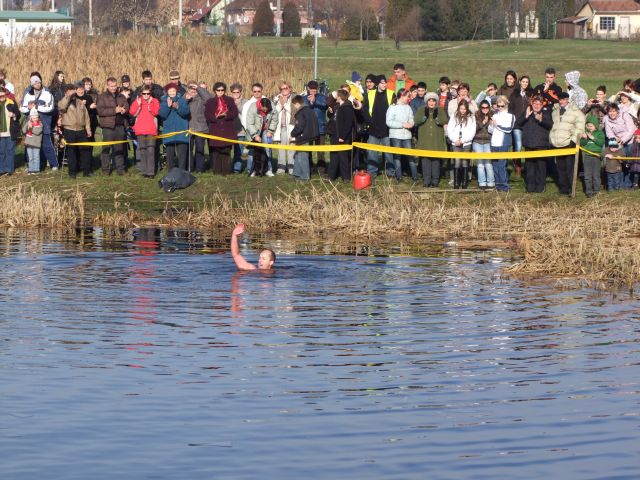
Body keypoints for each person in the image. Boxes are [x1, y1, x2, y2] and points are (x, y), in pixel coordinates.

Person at [549, 92, 585, 195]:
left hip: (569, 143)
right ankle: (563, 188)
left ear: (568, 99)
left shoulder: (576, 111)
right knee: (560, 167)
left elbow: (580, 126)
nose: (562, 101)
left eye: (564, 99)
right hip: (558, 143)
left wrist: (573, 140)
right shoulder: (555, 110)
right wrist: (552, 139)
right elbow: (554, 126)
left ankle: (571, 188)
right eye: (560, 99)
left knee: (570, 167)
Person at [20, 74, 57, 171]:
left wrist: (37, 107)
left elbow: (50, 108)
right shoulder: (28, 95)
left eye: (39, 82)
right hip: (31, 124)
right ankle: (29, 165)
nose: (38, 84)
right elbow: (22, 108)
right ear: (32, 84)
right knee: (30, 144)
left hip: (44, 123)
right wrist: (28, 108)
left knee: (47, 144)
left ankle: (54, 164)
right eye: (35, 83)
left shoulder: (47, 94)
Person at [517, 95, 553, 193]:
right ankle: (530, 187)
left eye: (539, 104)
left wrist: (541, 120)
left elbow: (550, 125)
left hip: (541, 145)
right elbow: (518, 123)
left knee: (541, 167)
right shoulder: (527, 112)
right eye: (535, 103)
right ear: (532, 104)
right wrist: (526, 117)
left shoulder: (546, 113)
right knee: (529, 167)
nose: (536, 106)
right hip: (528, 144)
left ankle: (540, 187)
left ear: (542, 105)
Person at [361, 75, 395, 177]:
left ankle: (390, 172)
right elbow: (365, 109)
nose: (384, 85)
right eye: (382, 83)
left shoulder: (391, 94)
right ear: (377, 84)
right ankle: (372, 172)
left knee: (389, 153)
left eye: (385, 83)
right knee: (372, 153)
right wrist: (370, 122)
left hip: (387, 129)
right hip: (373, 129)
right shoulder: (369, 94)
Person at [414, 92, 448, 188]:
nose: (432, 102)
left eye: (433, 100)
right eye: (430, 100)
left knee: (436, 162)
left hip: (436, 141)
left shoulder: (440, 110)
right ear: (427, 101)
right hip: (425, 141)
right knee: (425, 162)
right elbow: (416, 120)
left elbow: (444, 121)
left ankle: (435, 181)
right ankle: (426, 181)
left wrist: (437, 118)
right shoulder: (421, 109)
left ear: (436, 102)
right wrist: (423, 117)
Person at [58, 83, 92, 178]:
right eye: (70, 91)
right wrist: (67, 97)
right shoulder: (63, 102)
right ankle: (72, 172)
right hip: (69, 130)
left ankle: (87, 171)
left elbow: (86, 116)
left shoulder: (80, 102)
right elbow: (61, 107)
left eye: (73, 91)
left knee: (85, 150)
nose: (72, 93)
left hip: (81, 130)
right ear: (66, 92)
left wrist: (88, 129)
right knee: (71, 151)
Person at [205, 82, 239, 175]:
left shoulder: (229, 100)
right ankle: (216, 171)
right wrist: (215, 117)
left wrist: (226, 115)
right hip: (215, 129)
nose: (220, 92)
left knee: (226, 150)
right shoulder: (210, 101)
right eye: (218, 90)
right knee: (216, 151)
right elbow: (207, 114)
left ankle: (226, 171)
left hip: (227, 129)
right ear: (215, 91)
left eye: (222, 90)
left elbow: (235, 112)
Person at [97, 77, 129, 175]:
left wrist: (124, 110)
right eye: (111, 86)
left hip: (120, 126)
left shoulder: (121, 96)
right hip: (108, 127)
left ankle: (120, 169)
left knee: (119, 149)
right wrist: (114, 110)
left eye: (115, 86)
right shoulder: (102, 96)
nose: (113, 88)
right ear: (107, 86)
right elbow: (100, 111)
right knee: (106, 149)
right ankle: (106, 170)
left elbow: (127, 106)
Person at [129, 85, 160, 178]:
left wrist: (150, 104)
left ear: (150, 93)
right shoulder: (137, 101)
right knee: (142, 151)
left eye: (148, 93)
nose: (146, 95)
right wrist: (138, 104)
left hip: (151, 130)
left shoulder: (155, 101)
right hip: (140, 130)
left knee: (150, 151)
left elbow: (156, 112)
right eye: (144, 93)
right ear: (141, 93)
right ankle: (144, 171)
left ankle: (151, 172)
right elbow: (132, 112)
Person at [386, 88, 416, 182]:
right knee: (397, 157)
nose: (409, 98)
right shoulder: (392, 107)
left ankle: (415, 176)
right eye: (408, 96)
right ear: (402, 96)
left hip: (407, 136)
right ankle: (399, 177)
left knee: (410, 155)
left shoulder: (408, 107)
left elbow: (411, 118)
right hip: (396, 136)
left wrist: (411, 124)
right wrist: (402, 125)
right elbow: (388, 122)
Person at [159, 83, 190, 170]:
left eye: (173, 91)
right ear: (167, 92)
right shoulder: (163, 102)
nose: (172, 92)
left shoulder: (182, 100)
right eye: (170, 91)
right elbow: (162, 114)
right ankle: (170, 173)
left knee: (182, 155)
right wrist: (168, 107)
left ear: (176, 91)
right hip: (169, 132)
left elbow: (186, 112)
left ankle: (182, 172)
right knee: (169, 155)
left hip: (181, 131)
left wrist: (178, 107)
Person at [289, 94, 319, 182]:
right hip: (310, 135)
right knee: (298, 155)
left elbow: (299, 126)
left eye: (294, 105)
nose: (294, 107)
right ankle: (297, 174)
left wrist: (292, 134)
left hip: (304, 137)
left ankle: (305, 177)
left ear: (297, 103)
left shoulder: (300, 112)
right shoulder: (309, 110)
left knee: (303, 156)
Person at [328, 89, 356, 182]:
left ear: (340, 97)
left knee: (343, 157)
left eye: (337, 96)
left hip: (342, 137)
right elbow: (329, 102)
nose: (336, 97)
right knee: (334, 156)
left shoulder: (347, 108)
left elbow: (348, 124)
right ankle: (331, 176)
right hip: (334, 135)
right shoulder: (337, 106)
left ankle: (346, 177)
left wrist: (342, 137)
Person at [447, 99, 476, 189]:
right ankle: (456, 183)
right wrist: (455, 140)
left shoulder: (471, 118)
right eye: (461, 108)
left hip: (466, 144)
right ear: (458, 108)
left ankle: (464, 183)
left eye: (464, 109)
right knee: (457, 162)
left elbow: (472, 132)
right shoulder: (453, 117)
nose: (462, 111)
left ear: (467, 109)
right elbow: (449, 130)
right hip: (455, 143)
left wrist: (463, 140)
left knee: (464, 163)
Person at [184, 80, 212, 172]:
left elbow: (209, 100)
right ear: (187, 89)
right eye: (191, 88)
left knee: (200, 149)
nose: (193, 91)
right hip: (189, 128)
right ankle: (190, 167)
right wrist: (185, 100)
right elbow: (180, 107)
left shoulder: (202, 98)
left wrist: (198, 88)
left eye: (194, 88)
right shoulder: (184, 97)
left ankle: (199, 168)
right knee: (189, 149)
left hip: (201, 127)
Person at [490, 96, 516, 192]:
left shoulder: (511, 116)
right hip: (494, 142)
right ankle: (498, 185)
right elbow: (491, 130)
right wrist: (491, 125)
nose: (500, 107)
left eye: (502, 106)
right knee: (495, 165)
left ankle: (504, 186)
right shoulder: (495, 115)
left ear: (506, 105)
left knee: (501, 165)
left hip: (503, 143)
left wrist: (497, 125)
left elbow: (508, 129)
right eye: (498, 105)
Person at [245, 97, 277, 177]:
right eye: (264, 109)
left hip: (266, 131)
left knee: (267, 150)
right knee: (252, 152)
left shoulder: (272, 107)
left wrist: (270, 130)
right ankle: (252, 170)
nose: (265, 110)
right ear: (260, 105)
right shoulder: (252, 108)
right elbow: (249, 123)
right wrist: (255, 135)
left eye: (267, 109)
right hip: (254, 131)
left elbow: (274, 120)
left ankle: (268, 170)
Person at [304, 80, 328, 175]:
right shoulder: (304, 98)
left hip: (320, 127)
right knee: (308, 150)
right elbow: (302, 107)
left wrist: (314, 101)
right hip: (308, 128)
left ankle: (321, 169)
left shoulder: (322, 97)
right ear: (308, 89)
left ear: (317, 89)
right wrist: (310, 102)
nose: (313, 91)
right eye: (311, 89)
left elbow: (325, 105)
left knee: (320, 150)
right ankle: (309, 167)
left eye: (315, 89)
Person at [272, 81, 295, 174]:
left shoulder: (294, 99)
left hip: (291, 127)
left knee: (291, 148)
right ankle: (281, 168)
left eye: (286, 88)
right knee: (281, 149)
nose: (284, 90)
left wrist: (285, 104)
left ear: (290, 88)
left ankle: (291, 168)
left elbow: (294, 113)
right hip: (280, 127)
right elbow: (275, 112)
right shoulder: (276, 99)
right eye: (282, 89)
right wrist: (280, 103)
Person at [579, 115, 605, 197]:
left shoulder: (600, 133)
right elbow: (582, 144)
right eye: (588, 126)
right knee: (587, 175)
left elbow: (601, 143)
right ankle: (589, 191)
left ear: (596, 126)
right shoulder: (586, 133)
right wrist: (584, 138)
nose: (589, 127)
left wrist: (593, 138)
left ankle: (596, 191)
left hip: (596, 156)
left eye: (591, 126)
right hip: (587, 156)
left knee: (596, 175)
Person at [473, 100, 494, 190]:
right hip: (477, 141)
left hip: (488, 142)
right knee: (480, 163)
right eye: (483, 107)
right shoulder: (476, 116)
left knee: (488, 164)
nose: (485, 109)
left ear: (489, 108)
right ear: (480, 108)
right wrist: (483, 123)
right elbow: (474, 129)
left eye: (487, 107)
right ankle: (482, 183)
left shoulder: (493, 116)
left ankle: (490, 183)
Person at [0, 88, 21, 176]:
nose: (1, 97)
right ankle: (1, 170)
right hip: (1, 132)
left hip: (10, 131)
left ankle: (9, 169)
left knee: (10, 150)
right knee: (1, 151)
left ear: (5, 94)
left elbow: (18, 115)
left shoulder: (11, 102)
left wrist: (14, 115)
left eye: (2, 95)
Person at [230, 83, 247, 173]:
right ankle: (227, 166)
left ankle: (237, 169)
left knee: (238, 151)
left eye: (237, 92)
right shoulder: (228, 101)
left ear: (241, 92)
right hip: (229, 130)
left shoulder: (245, 102)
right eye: (234, 92)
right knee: (227, 150)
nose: (236, 94)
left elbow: (245, 113)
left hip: (240, 131)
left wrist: (237, 105)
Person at [22, 108, 43, 174]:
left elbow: (37, 132)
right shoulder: (28, 123)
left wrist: (31, 127)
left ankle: (36, 169)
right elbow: (23, 130)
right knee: (30, 157)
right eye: (33, 118)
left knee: (36, 157)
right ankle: (31, 169)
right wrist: (27, 125)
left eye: (36, 118)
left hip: (36, 144)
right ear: (30, 118)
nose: (34, 119)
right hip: (29, 143)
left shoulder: (40, 124)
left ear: (38, 118)